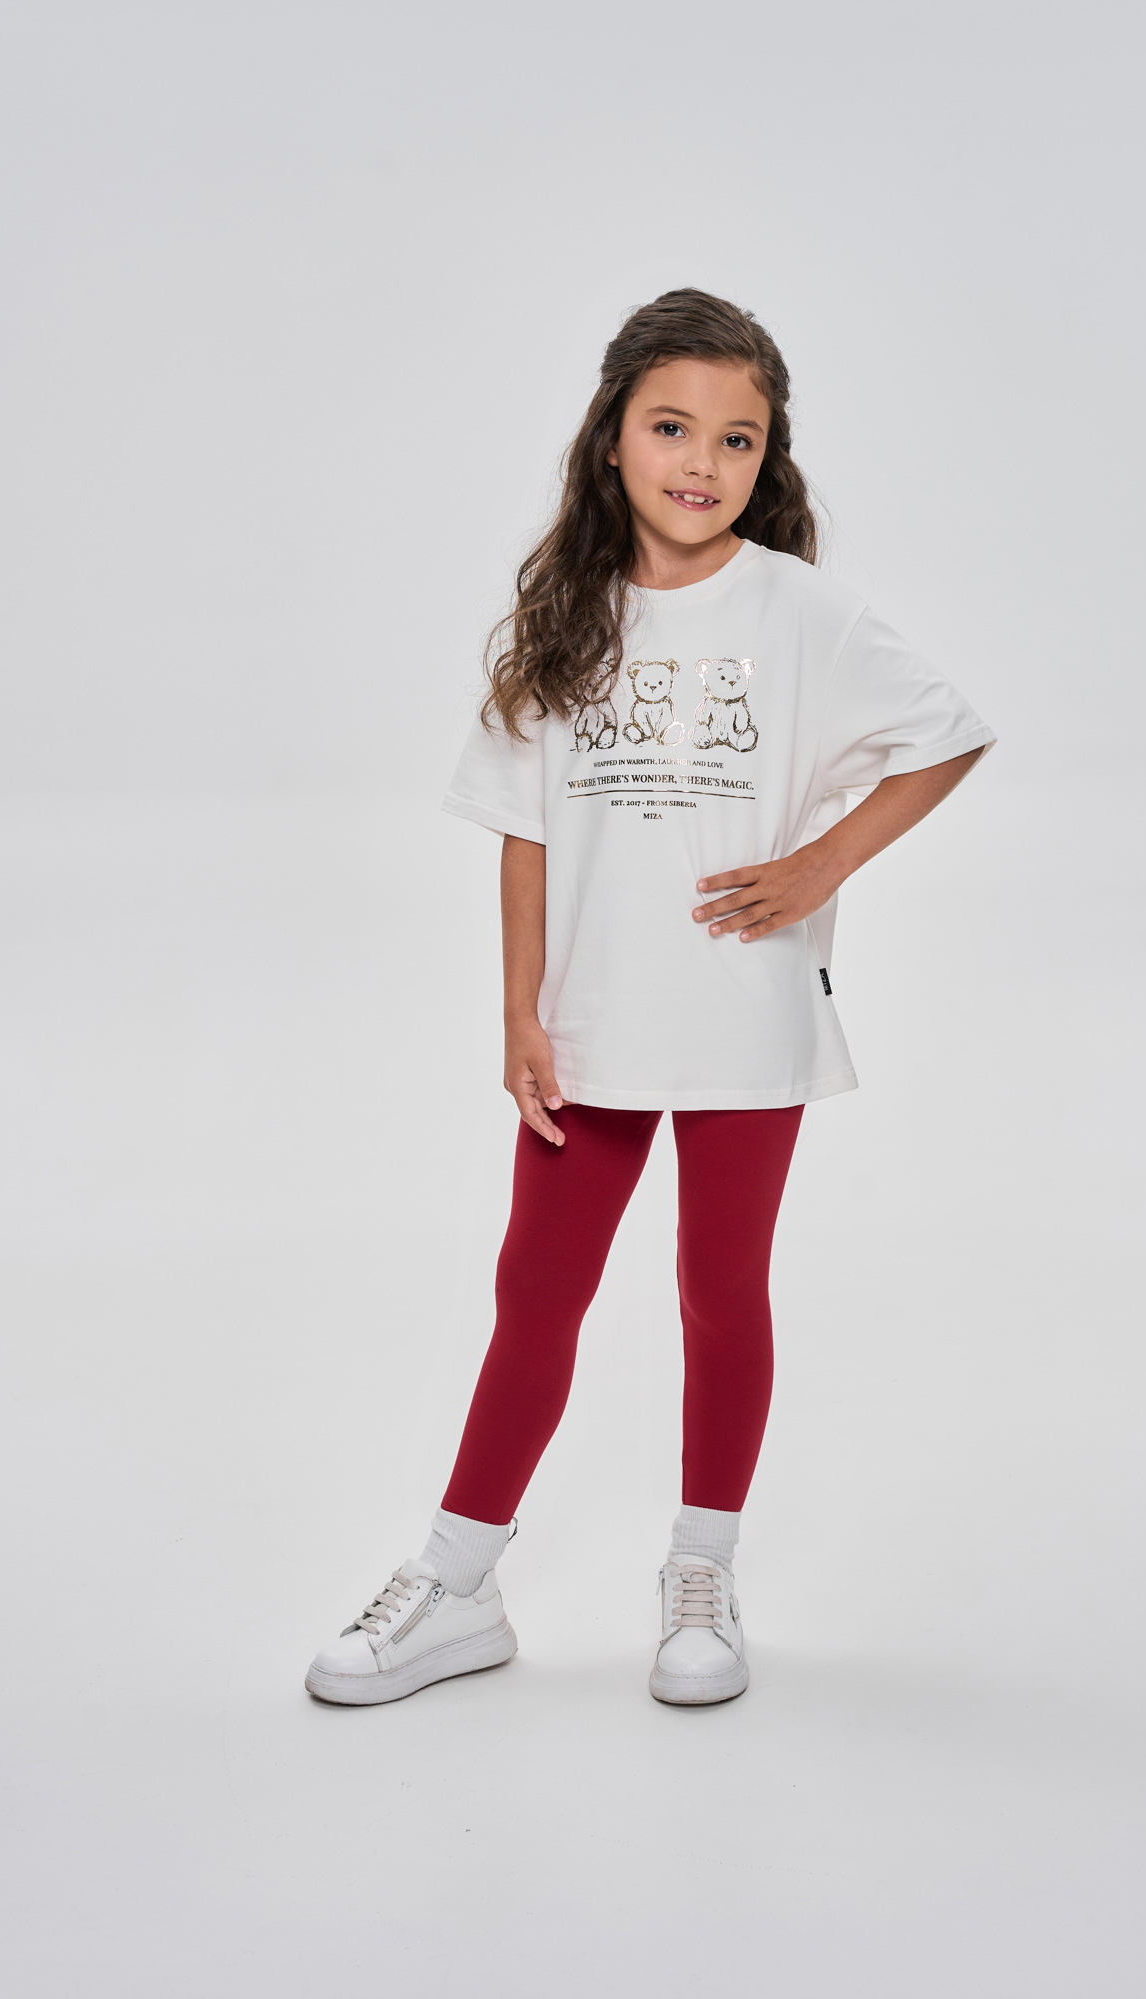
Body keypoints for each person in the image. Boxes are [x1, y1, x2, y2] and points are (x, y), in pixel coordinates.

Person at [305, 288, 996, 1709]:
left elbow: (946, 734)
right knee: (535, 1292)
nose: (702, 462)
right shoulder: (563, 617)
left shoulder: (798, 609)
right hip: (592, 1025)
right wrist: (521, 1013)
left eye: (737, 439)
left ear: (766, 457)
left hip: (744, 1016)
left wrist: (818, 864)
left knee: (718, 1291)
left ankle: (701, 1570)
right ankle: (457, 1581)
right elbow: (525, 831)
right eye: (672, 427)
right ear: (611, 436)